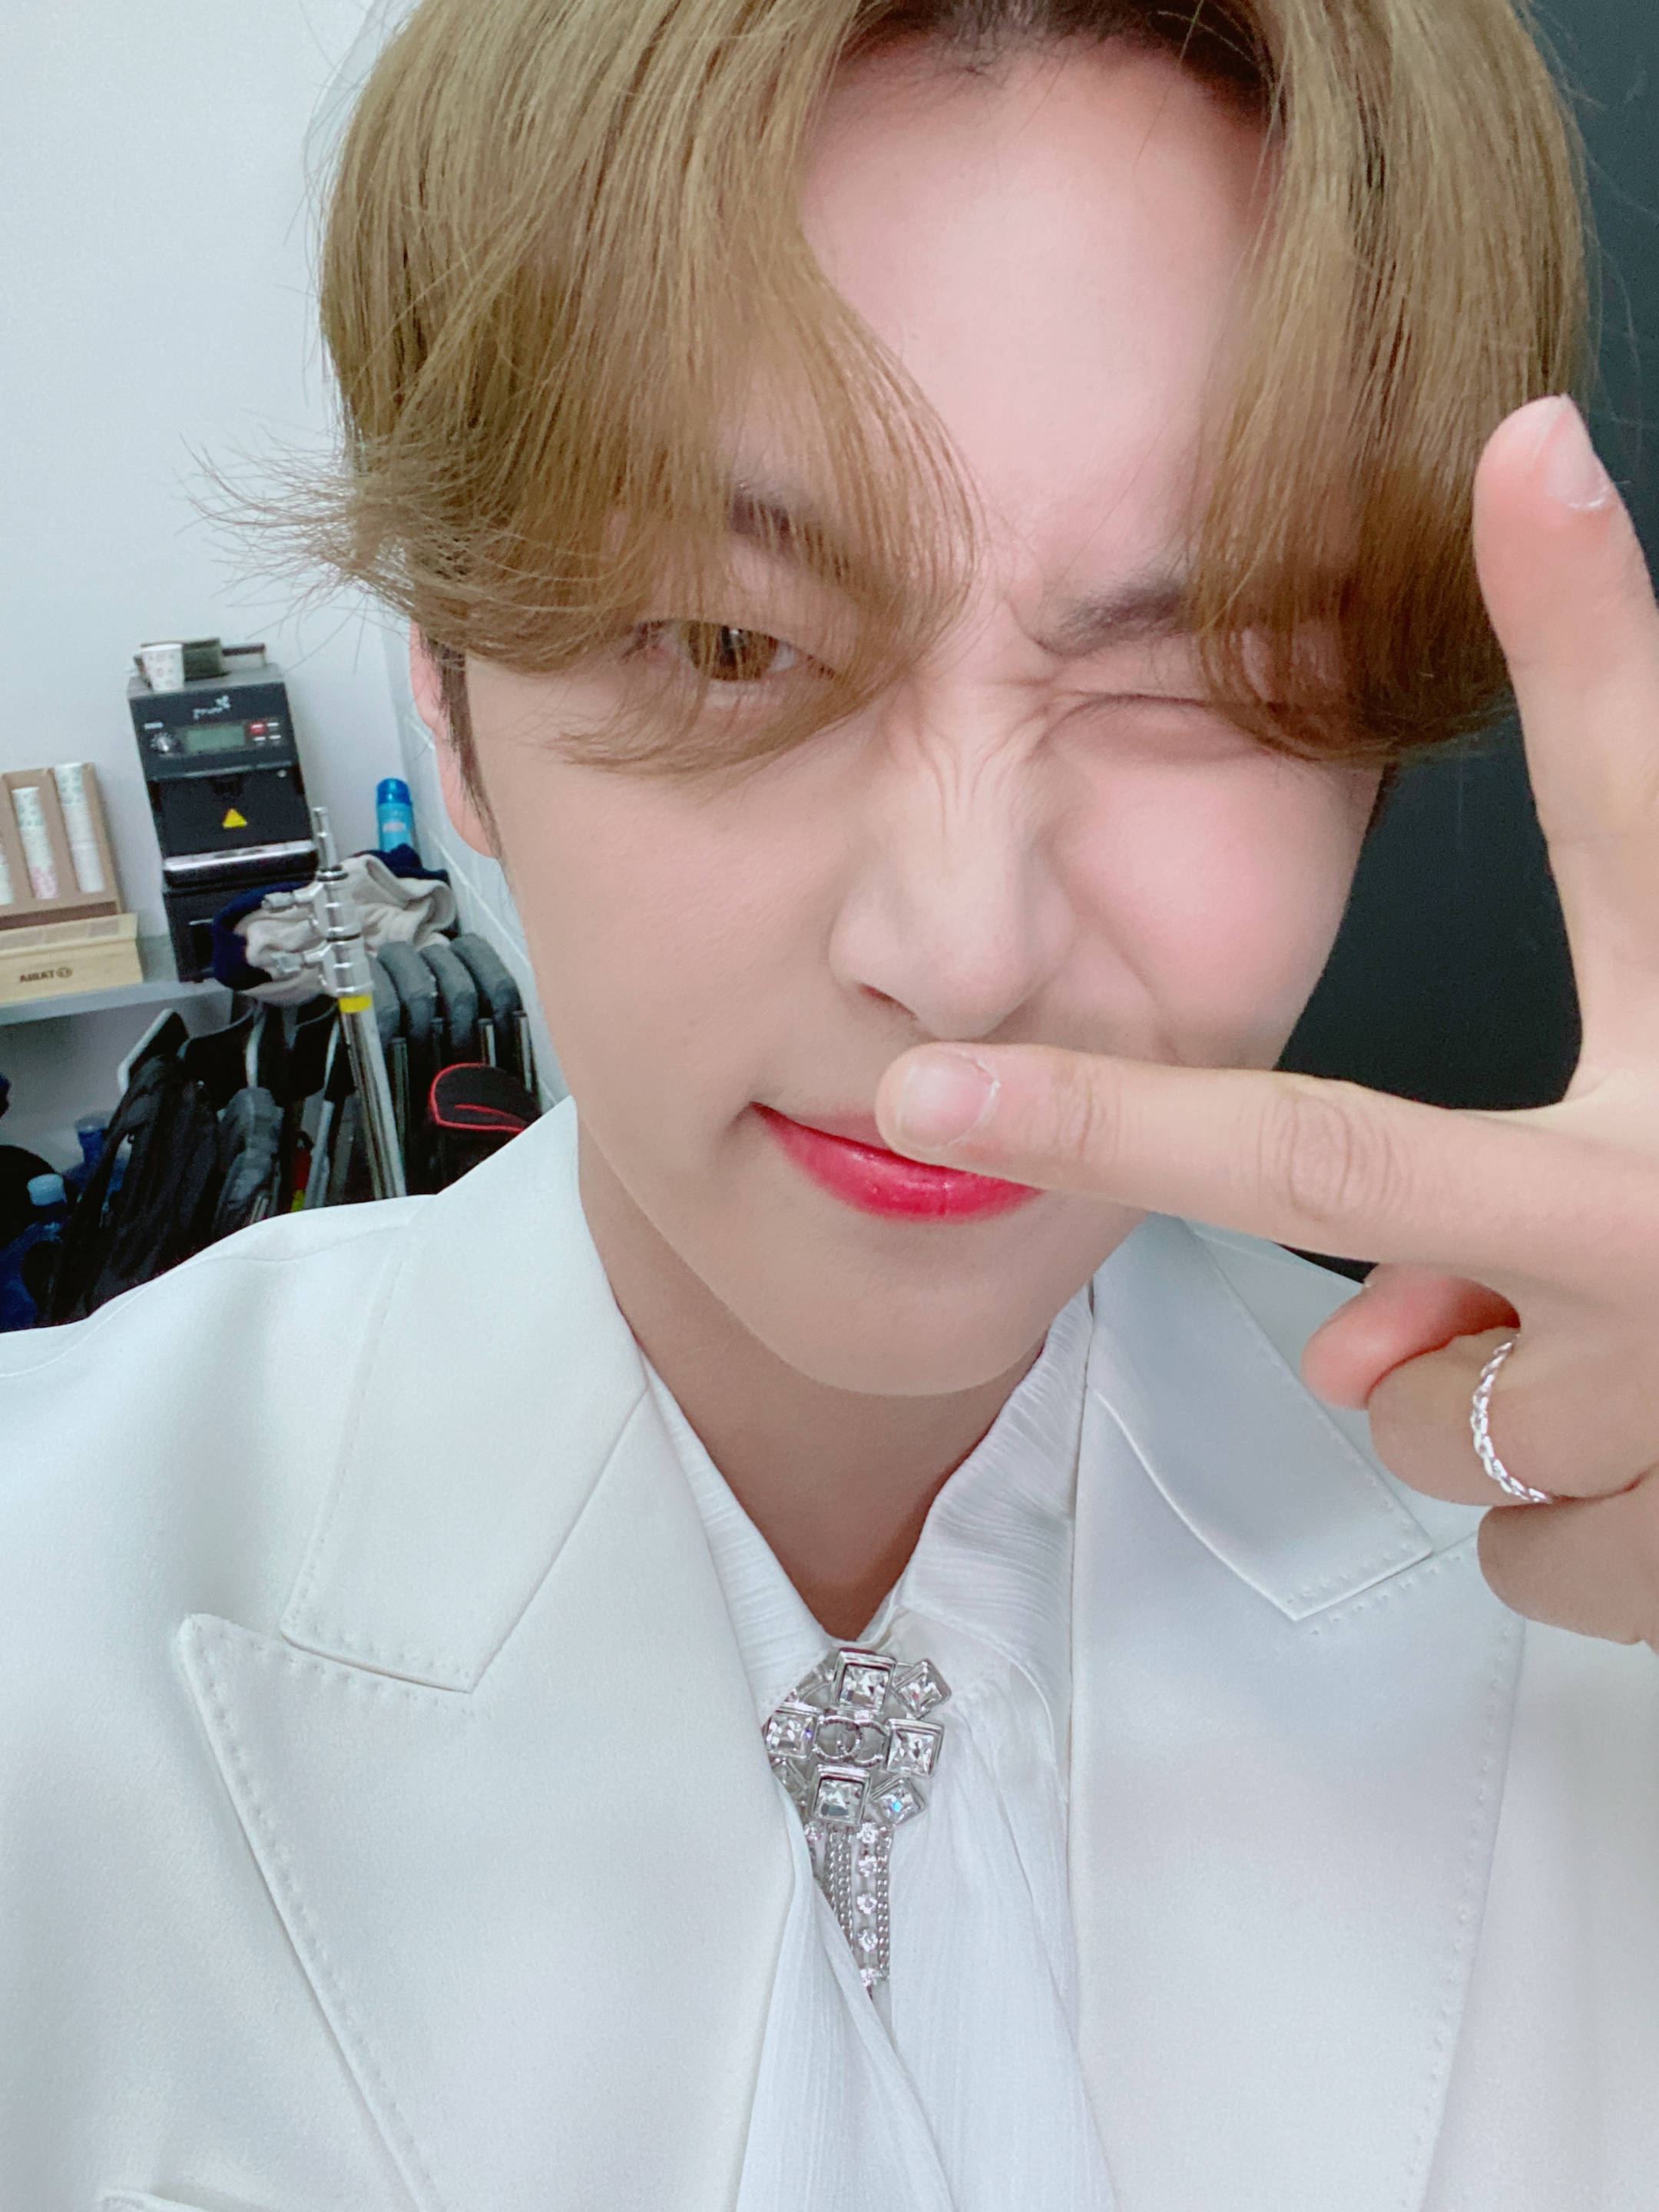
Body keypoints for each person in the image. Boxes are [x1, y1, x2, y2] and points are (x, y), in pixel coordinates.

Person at [2, 1, 1656, 2207]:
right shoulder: (50, 1632)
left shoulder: (1595, 1618)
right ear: (450, 705)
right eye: (727, 641)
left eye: (1213, 665)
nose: (959, 952)